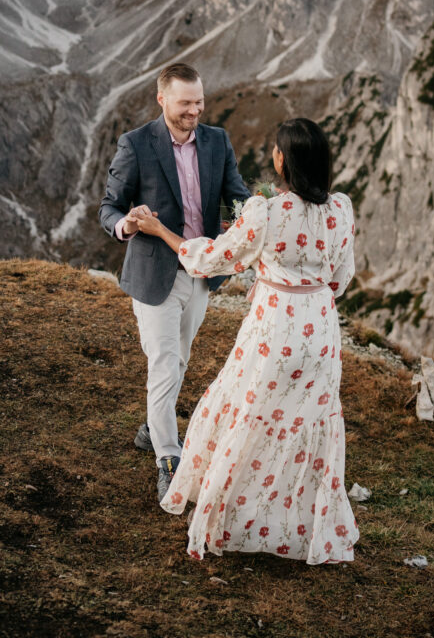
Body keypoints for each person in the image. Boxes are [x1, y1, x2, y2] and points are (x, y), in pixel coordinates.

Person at [135, 117, 359, 564]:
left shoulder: (266, 212)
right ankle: (299, 523)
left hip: (274, 330)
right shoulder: (341, 208)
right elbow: (342, 276)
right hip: (322, 333)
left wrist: (160, 231)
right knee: (305, 421)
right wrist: (307, 290)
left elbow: (210, 259)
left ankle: (235, 512)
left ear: (281, 160)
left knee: (253, 412)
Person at [98, 62, 250, 502]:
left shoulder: (218, 141)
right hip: (154, 274)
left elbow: (237, 196)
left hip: (201, 276)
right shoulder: (135, 144)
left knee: (179, 360)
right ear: (162, 99)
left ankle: (152, 427)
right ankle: (168, 457)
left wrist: (256, 215)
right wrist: (127, 224)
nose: (194, 111)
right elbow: (109, 207)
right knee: (165, 362)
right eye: (185, 103)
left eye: (199, 102)